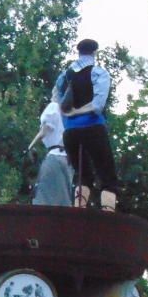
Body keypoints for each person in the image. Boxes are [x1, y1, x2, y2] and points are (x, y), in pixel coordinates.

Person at [52, 38, 118, 211]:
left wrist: (68, 115)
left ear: (78, 52)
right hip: (93, 128)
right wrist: (78, 111)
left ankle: (78, 211)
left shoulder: (64, 76)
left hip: (70, 133)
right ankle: (108, 214)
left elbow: (56, 100)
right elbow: (97, 106)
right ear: (94, 53)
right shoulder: (97, 72)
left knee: (82, 175)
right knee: (106, 173)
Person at [26, 101, 74, 206]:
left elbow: (45, 130)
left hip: (55, 157)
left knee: (44, 197)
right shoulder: (71, 111)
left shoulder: (54, 106)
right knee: (64, 198)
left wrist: (30, 147)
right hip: (68, 160)